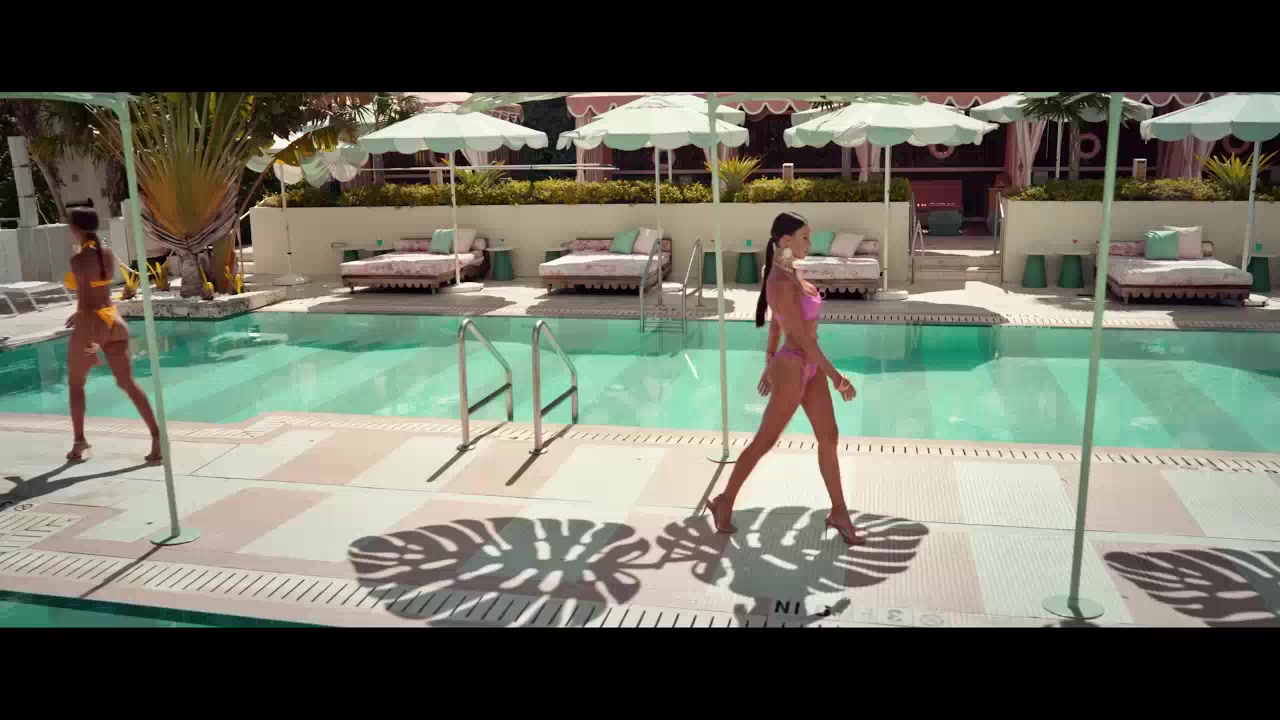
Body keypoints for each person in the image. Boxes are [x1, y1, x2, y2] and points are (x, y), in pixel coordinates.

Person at [704, 211, 863, 545]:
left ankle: (839, 511)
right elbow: (801, 338)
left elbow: (777, 322)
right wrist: (837, 378)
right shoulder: (777, 280)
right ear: (786, 241)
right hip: (794, 367)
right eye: (805, 237)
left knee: (829, 437)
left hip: (807, 366)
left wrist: (767, 361)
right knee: (765, 440)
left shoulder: (791, 273)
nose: (810, 243)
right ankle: (724, 500)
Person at [62, 208, 162, 463]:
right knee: (127, 383)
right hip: (114, 320)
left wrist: (83, 327)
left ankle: (79, 440)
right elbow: (99, 292)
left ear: (76, 229)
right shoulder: (106, 254)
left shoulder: (78, 259)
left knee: (76, 384)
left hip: (92, 322)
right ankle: (157, 436)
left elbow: (85, 300)